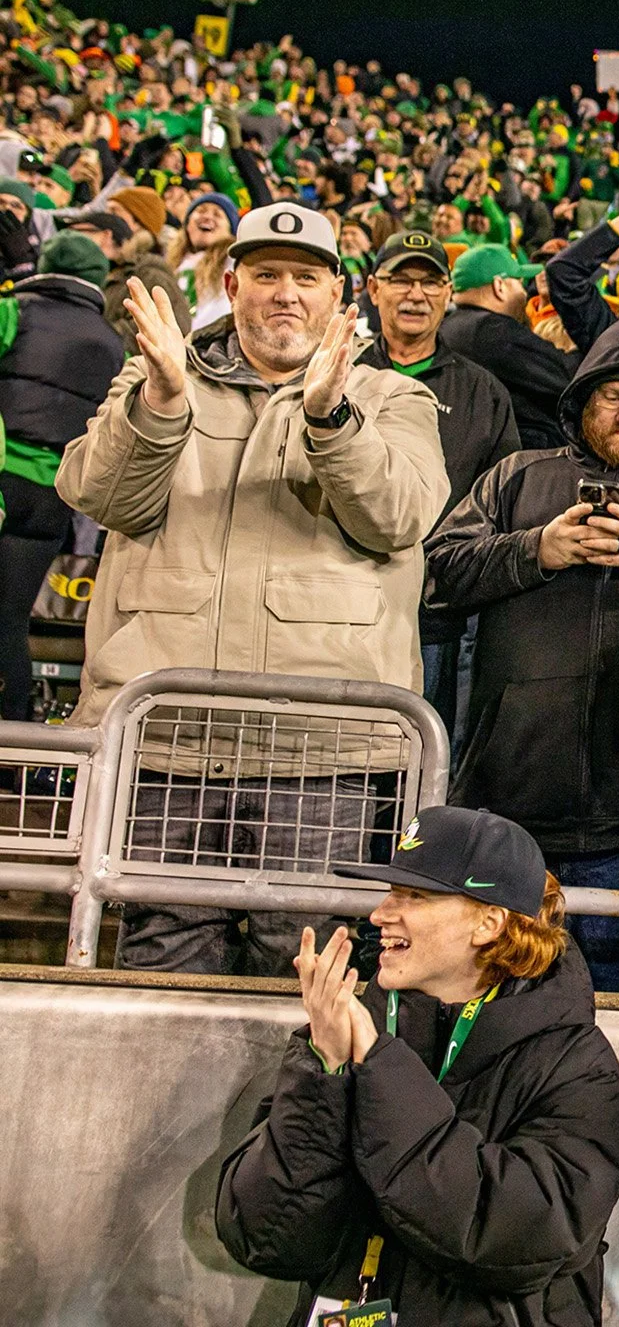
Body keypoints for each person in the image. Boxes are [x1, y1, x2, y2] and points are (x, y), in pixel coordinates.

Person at [58, 201, 447, 974]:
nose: (285, 294)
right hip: (169, 745)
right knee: (159, 970)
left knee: (304, 981)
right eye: (266, 275)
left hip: (323, 756)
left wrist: (331, 417)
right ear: (230, 284)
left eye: (306, 278)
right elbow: (101, 495)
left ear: (340, 296)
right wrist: (162, 406)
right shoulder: (153, 378)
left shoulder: (389, 398)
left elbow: (398, 517)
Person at [215, 805, 619, 1327]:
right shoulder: (349, 1027)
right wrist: (324, 1072)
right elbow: (265, 1238)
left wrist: (379, 1067)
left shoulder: (574, 1062)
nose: (381, 914)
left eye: (415, 896)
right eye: (389, 892)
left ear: (490, 922)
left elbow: (517, 1236)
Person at [426, 315, 619, 995]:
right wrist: (537, 550)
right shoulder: (517, 476)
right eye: (608, 396)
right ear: (580, 403)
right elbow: (437, 574)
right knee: (502, 1006)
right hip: (515, 804)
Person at [362, 228, 520, 740]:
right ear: (372, 289)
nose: (416, 294)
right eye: (401, 281)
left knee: (422, 757)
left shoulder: (482, 391)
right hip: (345, 603)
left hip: (437, 618)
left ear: (448, 294)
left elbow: (504, 499)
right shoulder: (341, 373)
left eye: (430, 282)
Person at [0, 225, 123, 717]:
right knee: (10, 621)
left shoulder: (15, 310)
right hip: (54, 499)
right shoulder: (114, 343)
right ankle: (11, 747)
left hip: (5, 477)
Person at [441, 242, 575, 451]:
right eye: (518, 282)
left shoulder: (449, 326)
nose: (524, 292)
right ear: (499, 286)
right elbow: (567, 376)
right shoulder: (493, 330)